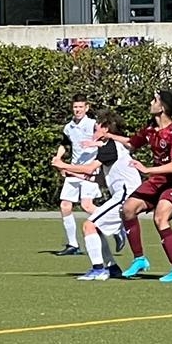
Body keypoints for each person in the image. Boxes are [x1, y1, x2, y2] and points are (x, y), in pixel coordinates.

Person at [57, 110, 140, 281]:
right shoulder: (110, 147)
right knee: (96, 227)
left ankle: (98, 269)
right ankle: (111, 267)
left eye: (96, 128)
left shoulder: (110, 146)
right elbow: (96, 177)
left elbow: (89, 169)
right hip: (124, 194)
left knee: (89, 225)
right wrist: (71, 172)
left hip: (125, 195)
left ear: (105, 129)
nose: (93, 132)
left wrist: (63, 164)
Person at [122, 89, 172, 283]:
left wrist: (147, 169)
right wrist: (106, 136)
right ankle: (139, 259)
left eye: (155, 100)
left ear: (162, 107)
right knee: (128, 209)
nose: (151, 103)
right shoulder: (150, 130)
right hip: (158, 180)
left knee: (160, 217)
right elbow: (131, 143)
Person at [51, 95, 97, 255]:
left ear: (86, 108)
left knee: (87, 206)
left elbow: (106, 141)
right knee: (65, 206)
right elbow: (64, 144)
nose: (77, 110)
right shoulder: (68, 127)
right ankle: (73, 245)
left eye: (80, 107)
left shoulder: (93, 125)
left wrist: (94, 144)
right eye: (75, 107)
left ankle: (117, 226)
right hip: (73, 170)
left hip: (89, 170)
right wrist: (58, 157)